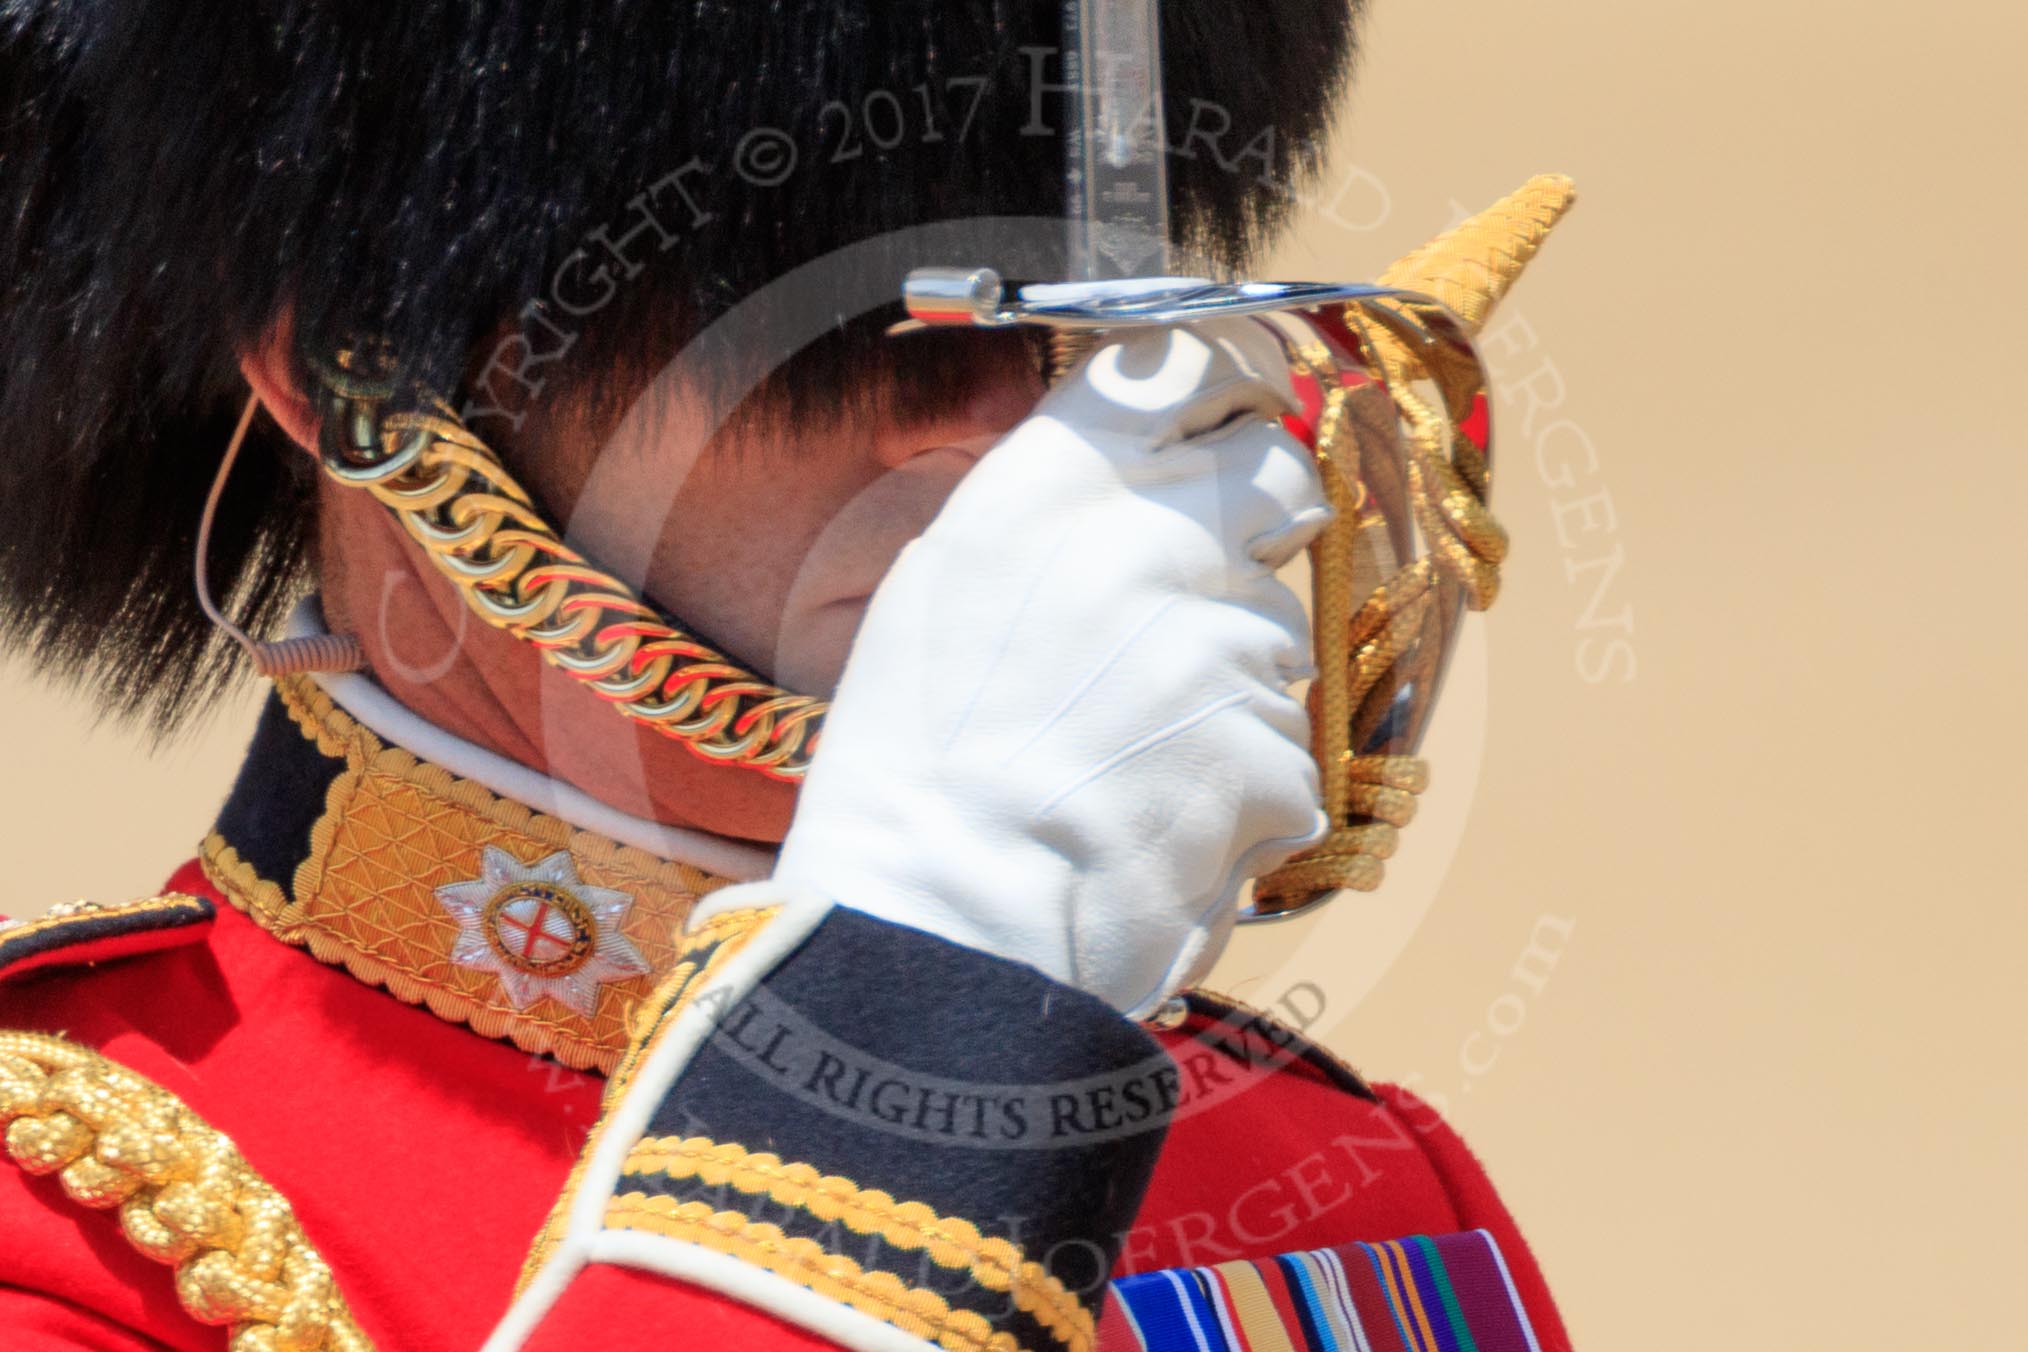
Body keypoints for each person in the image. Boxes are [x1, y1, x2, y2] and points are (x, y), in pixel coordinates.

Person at [0, 4, 1573, 1349]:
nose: (984, 410)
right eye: (839, 305)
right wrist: (912, 1017)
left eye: (1052, 300)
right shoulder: (66, 1227)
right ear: (355, 362)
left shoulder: (1343, 1187)